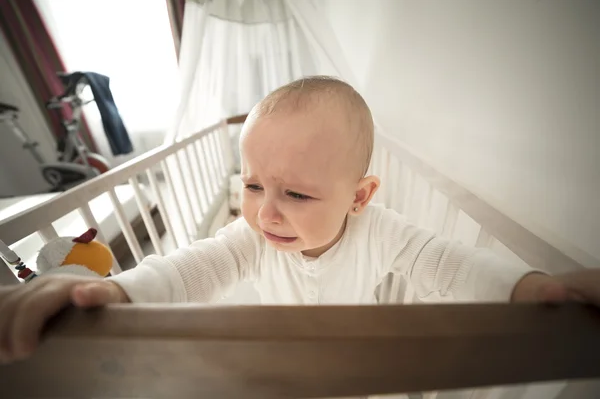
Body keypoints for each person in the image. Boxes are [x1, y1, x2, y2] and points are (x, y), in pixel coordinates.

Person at [0, 76, 598, 364]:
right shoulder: (251, 236)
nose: (266, 212)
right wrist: (114, 290)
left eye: (297, 195)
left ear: (359, 198)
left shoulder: (382, 231)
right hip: (274, 348)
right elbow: (190, 269)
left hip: (352, 351)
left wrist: (531, 286)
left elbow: (448, 263)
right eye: (254, 184)